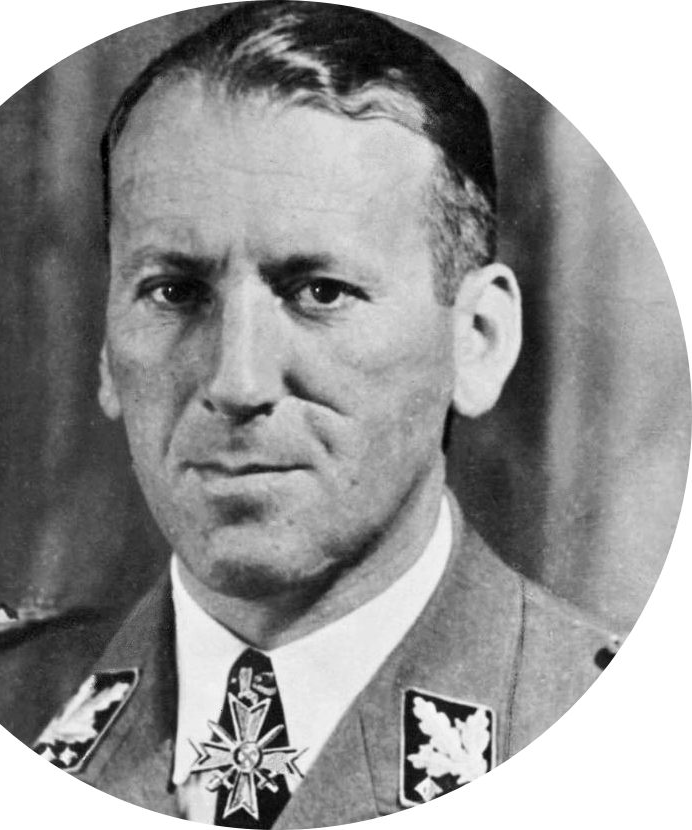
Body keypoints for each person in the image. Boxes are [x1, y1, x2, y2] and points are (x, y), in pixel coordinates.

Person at [32, 3, 617, 826]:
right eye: (174, 292)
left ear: (478, 339)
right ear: (105, 349)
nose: (237, 381)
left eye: (321, 292)